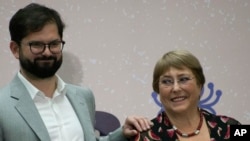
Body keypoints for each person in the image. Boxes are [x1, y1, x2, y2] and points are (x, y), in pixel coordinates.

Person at [0, 3, 153, 141]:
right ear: (15, 49)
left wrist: (123, 133)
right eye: (37, 45)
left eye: (54, 44)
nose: (47, 53)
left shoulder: (83, 96)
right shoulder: (3, 105)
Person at [131, 50, 241, 141]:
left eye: (184, 79)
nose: (176, 88)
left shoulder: (231, 126)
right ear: (157, 89)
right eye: (166, 81)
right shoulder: (144, 137)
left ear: (199, 84)